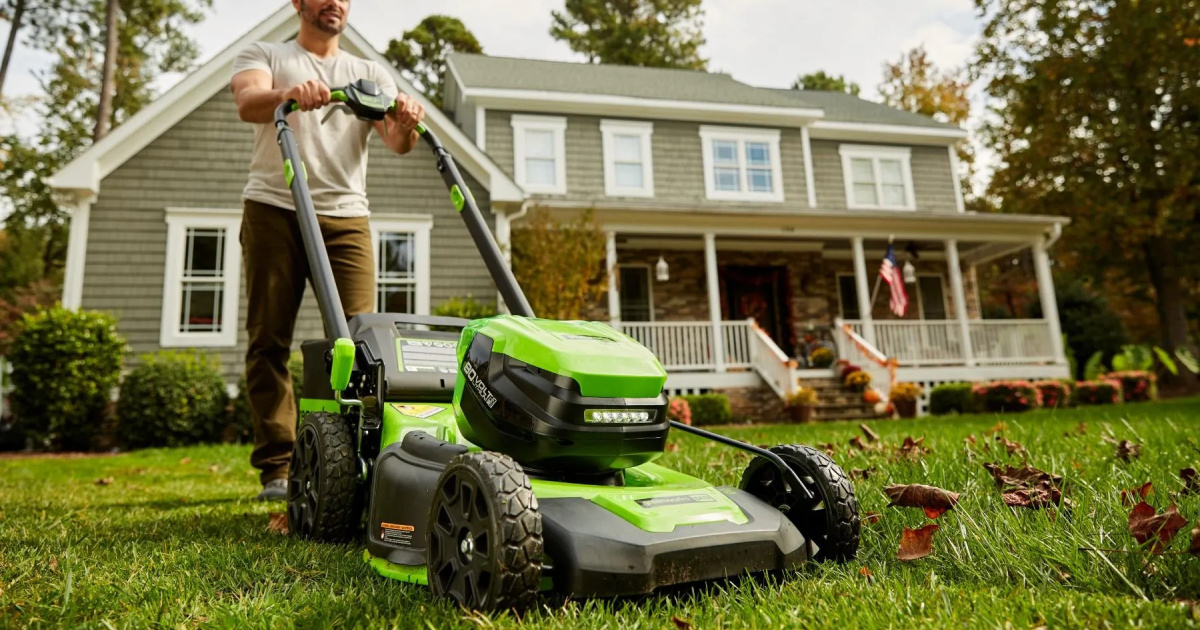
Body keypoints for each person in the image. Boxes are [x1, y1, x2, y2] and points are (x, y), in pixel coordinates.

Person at [229, 0, 425, 501]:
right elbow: (248, 102)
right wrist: (288, 94)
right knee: (268, 339)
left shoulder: (366, 71)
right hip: (275, 206)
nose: (335, 2)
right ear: (298, 3)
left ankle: (362, 460)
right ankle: (277, 465)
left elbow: (395, 142)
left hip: (346, 216)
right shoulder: (265, 52)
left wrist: (404, 118)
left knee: (361, 341)